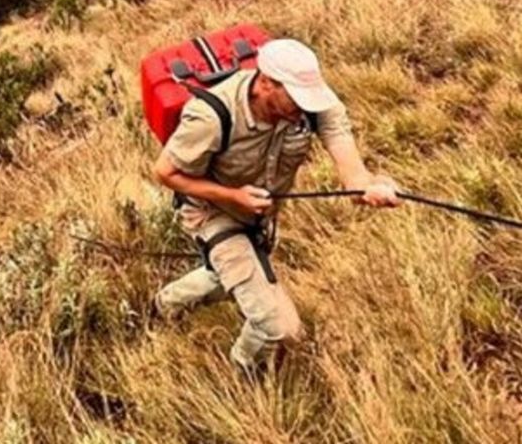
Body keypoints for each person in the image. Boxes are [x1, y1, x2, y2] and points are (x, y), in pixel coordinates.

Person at [151, 38, 399, 372]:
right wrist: (233, 196)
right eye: (296, 98)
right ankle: (241, 376)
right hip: (212, 214)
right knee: (281, 329)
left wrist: (368, 187)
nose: (305, 108)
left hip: (258, 217)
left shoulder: (313, 104)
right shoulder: (210, 117)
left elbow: (351, 171)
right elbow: (166, 173)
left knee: (229, 274)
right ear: (266, 83)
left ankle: (164, 305)